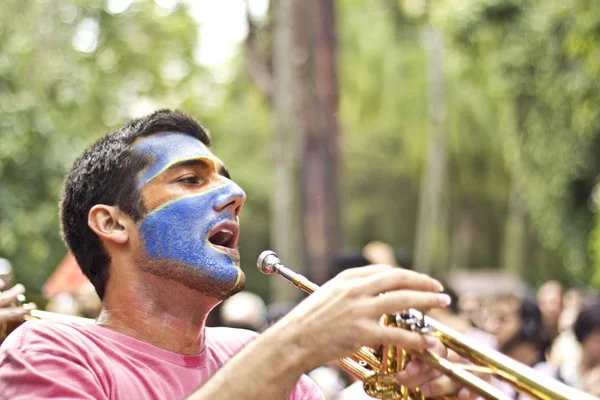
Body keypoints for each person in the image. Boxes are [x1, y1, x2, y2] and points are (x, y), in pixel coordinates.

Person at [0, 109, 472, 400]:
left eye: (226, 178)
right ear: (112, 223)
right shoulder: (46, 352)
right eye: (190, 179)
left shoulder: (250, 354)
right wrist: (292, 344)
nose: (236, 194)